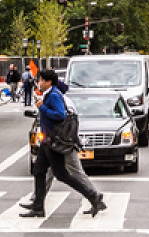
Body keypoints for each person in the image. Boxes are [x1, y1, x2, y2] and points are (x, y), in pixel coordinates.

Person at [20, 69, 105, 218]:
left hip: (54, 141)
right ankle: (38, 206)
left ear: (48, 82)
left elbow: (60, 115)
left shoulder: (53, 95)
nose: (39, 83)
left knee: (62, 175)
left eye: (41, 80)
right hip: (47, 141)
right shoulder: (50, 94)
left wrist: (43, 108)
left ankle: (93, 196)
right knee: (39, 171)